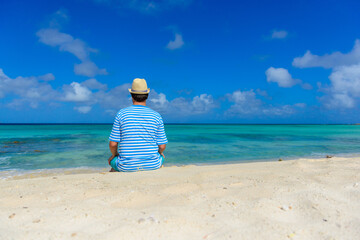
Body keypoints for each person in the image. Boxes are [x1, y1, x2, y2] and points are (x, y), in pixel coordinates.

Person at [108, 78, 168, 172]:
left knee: (112, 161)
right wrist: (160, 153)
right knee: (161, 157)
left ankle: (115, 172)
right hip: (153, 165)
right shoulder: (156, 116)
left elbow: (113, 144)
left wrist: (114, 155)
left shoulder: (122, 114)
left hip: (126, 166)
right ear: (147, 96)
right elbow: (162, 146)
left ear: (131, 95)